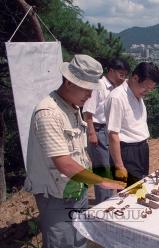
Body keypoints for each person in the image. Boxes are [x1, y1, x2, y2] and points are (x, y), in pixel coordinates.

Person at [24, 54, 126, 248]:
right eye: (87, 90)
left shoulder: (72, 107)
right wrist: (101, 181)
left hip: (77, 190)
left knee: (79, 239)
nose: (89, 96)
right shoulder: (48, 113)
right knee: (61, 242)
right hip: (56, 196)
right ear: (70, 83)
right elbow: (63, 162)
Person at [105, 62, 159, 186]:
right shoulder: (117, 98)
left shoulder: (137, 95)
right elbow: (113, 134)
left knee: (142, 185)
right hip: (127, 152)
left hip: (141, 149)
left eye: (151, 89)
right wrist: (119, 166)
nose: (147, 92)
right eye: (145, 88)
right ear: (135, 78)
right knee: (129, 192)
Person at [83, 58, 130, 204]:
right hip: (98, 130)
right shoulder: (99, 86)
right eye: (120, 74)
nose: (122, 78)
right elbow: (88, 112)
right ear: (111, 71)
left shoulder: (115, 88)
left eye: (124, 75)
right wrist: (91, 133)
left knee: (114, 165)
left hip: (109, 130)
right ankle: (104, 204)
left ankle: (113, 200)